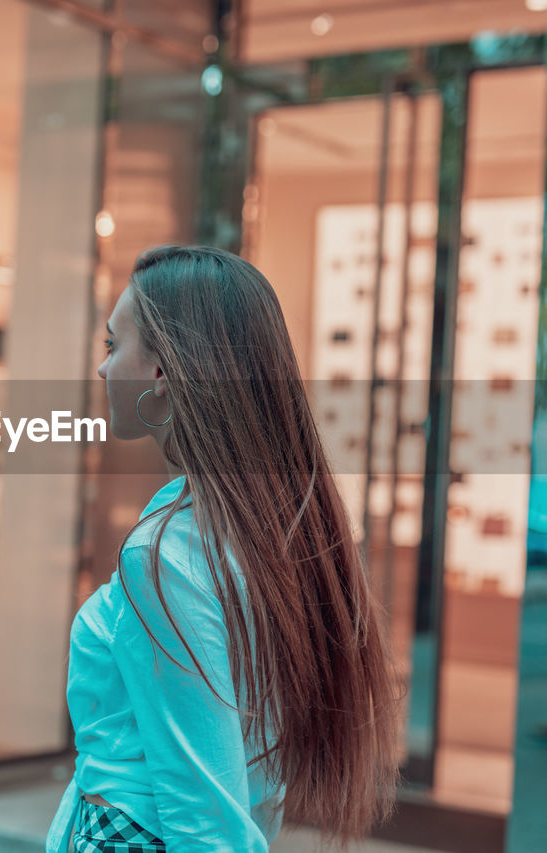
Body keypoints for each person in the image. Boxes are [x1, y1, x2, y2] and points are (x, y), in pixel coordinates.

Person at [47, 246, 404, 853]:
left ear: (161, 371)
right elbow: (246, 786)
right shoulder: (273, 525)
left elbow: (205, 814)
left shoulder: (167, 555)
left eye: (113, 347)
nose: (104, 370)